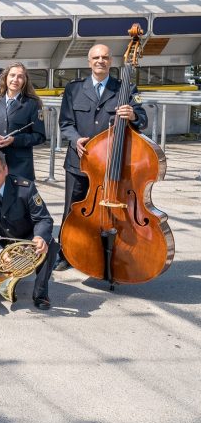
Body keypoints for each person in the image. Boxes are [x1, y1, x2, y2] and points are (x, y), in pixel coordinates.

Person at [57, 43, 146, 270]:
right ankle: (66, 252)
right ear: (89, 62)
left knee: (110, 211)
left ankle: (102, 251)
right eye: (96, 57)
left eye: (105, 57)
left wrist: (133, 114)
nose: (100, 61)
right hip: (79, 161)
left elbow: (143, 120)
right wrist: (75, 138)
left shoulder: (126, 89)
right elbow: (65, 123)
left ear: (111, 61)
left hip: (111, 165)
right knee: (72, 208)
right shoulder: (74, 88)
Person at [0, 149, 57, 309]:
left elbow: (43, 219)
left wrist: (39, 238)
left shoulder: (25, 187)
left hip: (27, 239)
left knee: (50, 244)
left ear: (6, 170)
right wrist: (0, 252)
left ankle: (41, 293)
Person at [0, 62, 46, 181]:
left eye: (20, 76)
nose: (15, 79)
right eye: (12, 75)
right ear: (6, 78)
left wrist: (15, 140)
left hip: (20, 166)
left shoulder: (32, 104)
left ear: (25, 80)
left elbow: (40, 136)